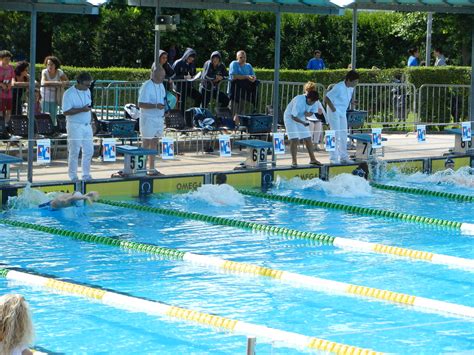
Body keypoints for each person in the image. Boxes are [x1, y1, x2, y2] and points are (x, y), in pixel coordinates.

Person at [62, 71, 94, 182]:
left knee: (89, 150)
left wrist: (92, 122)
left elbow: (88, 108)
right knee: (74, 151)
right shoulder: (69, 94)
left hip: (87, 125)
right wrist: (82, 109)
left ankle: (86, 174)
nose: (88, 87)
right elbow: (66, 111)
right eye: (86, 85)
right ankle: (73, 175)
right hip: (74, 125)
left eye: (89, 85)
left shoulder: (88, 91)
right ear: (79, 82)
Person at [283, 82, 322, 168]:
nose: (313, 104)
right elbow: (293, 117)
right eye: (311, 102)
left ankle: (313, 159)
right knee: (294, 139)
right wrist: (303, 122)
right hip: (290, 117)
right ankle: (294, 161)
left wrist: (309, 114)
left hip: (300, 118)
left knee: (308, 138)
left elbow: (313, 111)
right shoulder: (299, 100)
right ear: (308, 99)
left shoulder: (314, 101)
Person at [324, 70, 359, 164]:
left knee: (343, 134)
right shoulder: (338, 87)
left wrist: (352, 102)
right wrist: (334, 110)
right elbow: (326, 98)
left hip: (343, 112)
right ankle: (333, 158)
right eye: (355, 81)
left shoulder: (351, 88)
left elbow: (346, 97)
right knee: (335, 134)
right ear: (348, 80)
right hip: (333, 110)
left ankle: (344, 157)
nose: (356, 83)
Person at [138, 63, 167, 176]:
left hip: (159, 118)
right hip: (148, 119)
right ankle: (141, 168)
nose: (162, 79)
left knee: (155, 142)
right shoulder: (146, 86)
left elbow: (163, 99)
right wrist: (155, 106)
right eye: (160, 77)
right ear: (154, 75)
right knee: (146, 142)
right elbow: (140, 104)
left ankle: (152, 168)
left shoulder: (161, 85)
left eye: (163, 77)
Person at [228, 50, 258, 125]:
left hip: (244, 92)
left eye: (244, 57)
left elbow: (254, 76)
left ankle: (239, 126)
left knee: (241, 111)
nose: (243, 59)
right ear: (237, 58)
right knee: (233, 109)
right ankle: (231, 126)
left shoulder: (249, 65)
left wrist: (253, 78)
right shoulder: (234, 63)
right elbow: (234, 76)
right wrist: (247, 77)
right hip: (234, 92)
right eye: (241, 57)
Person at [172, 48, 202, 113]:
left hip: (188, 86)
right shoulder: (178, 63)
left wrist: (194, 77)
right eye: (190, 57)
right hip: (179, 87)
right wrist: (184, 77)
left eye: (192, 58)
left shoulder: (192, 64)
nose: (191, 59)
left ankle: (193, 113)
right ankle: (182, 117)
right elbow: (172, 77)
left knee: (199, 96)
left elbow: (192, 74)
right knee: (182, 102)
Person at [40, 56, 68, 126]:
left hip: (55, 97)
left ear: (56, 65)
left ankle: (52, 130)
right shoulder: (44, 72)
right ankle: (44, 128)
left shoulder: (59, 72)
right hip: (44, 96)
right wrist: (57, 83)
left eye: (51, 64)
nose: (49, 66)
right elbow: (44, 82)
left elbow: (67, 81)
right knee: (45, 115)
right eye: (48, 64)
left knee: (53, 116)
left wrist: (62, 83)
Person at [304, 81, 325, 150]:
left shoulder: (315, 98)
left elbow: (320, 109)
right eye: (310, 89)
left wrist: (320, 113)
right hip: (305, 117)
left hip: (314, 117)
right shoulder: (303, 98)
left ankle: (315, 144)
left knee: (319, 124)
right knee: (311, 124)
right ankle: (309, 144)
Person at [0, 50, 15, 128]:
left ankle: (6, 126)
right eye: (6, 59)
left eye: (9, 59)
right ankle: (1, 126)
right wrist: (1, 84)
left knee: (9, 110)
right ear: (1, 59)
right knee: (1, 110)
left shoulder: (11, 67)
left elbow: (13, 77)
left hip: (8, 93)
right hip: (0, 94)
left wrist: (11, 83)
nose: (8, 61)